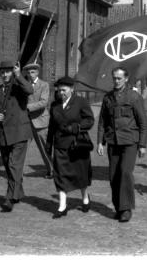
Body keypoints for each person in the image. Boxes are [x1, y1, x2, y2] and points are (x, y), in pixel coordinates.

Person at [97, 67, 147, 222]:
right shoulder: (108, 98)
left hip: (129, 141)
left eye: (119, 78)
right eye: (114, 78)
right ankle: (118, 207)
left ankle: (126, 209)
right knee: (113, 176)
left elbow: (143, 122)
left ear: (126, 79)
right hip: (113, 141)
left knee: (125, 172)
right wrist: (100, 142)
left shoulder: (134, 97)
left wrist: (142, 144)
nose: (116, 81)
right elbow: (102, 122)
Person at [45, 76, 94, 219]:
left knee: (81, 173)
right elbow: (52, 126)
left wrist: (77, 127)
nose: (61, 93)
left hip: (77, 145)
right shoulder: (55, 105)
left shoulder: (81, 102)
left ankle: (85, 197)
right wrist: (49, 144)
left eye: (64, 90)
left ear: (72, 89)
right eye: (59, 90)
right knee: (60, 175)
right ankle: (62, 205)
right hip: (60, 145)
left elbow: (89, 120)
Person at [0, 60, 34, 212]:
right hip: (3, 134)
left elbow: (29, 90)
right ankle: (18, 193)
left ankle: (9, 198)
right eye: (2, 72)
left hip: (20, 133)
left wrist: (19, 75)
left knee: (14, 165)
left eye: (7, 71)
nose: (4, 74)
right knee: (9, 166)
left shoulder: (19, 87)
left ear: (12, 72)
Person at [23, 63, 53, 179]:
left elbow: (44, 102)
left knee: (45, 148)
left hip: (40, 121)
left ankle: (51, 170)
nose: (31, 75)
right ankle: (18, 172)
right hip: (26, 122)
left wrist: (27, 107)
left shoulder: (44, 85)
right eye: (29, 72)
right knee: (21, 148)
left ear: (37, 72)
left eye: (33, 72)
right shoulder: (24, 85)